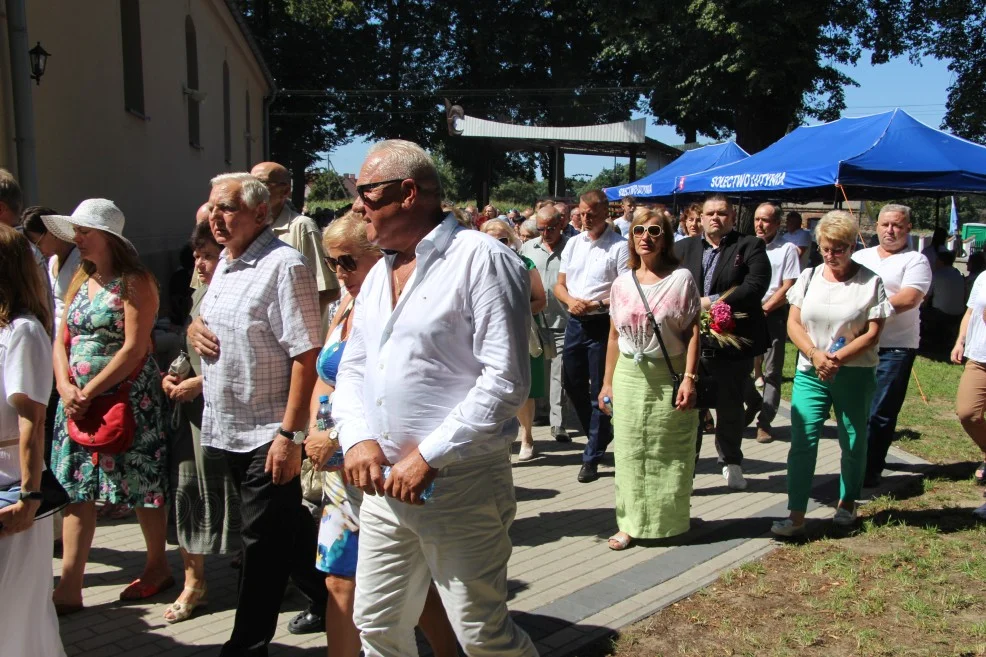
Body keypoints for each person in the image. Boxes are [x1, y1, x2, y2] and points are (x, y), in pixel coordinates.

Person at [333, 140, 537, 657]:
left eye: (366, 194)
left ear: (408, 194)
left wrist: (429, 455)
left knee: (482, 635)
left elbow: (506, 380)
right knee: (377, 624)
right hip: (384, 489)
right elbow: (356, 367)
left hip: (459, 483)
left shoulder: (482, 258)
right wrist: (357, 439)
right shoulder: (380, 271)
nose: (358, 206)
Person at [303, 213, 459, 657]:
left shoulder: (398, 306)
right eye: (333, 262)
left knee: (397, 581)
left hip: (378, 464)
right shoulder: (343, 305)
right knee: (341, 579)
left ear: (379, 256)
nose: (339, 272)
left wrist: (336, 437)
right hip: (341, 472)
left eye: (348, 261)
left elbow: (395, 386)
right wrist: (317, 429)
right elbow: (328, 375)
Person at [187, 173, 326, 656]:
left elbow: (307, 354)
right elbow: (209, 320)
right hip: (226, 424)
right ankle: (332, 596)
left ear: (260, 214)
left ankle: (247, 644)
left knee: (260, 545)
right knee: (284, 530)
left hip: (269, 432)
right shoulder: (224, 263)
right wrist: (193, 328)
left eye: (226, 208)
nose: (214, 217)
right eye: (211, 207)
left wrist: (290, 434)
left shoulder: (284, 266)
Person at [44, 200, 172, 613]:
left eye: (84, 231)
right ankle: (70, 585)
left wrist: (90, 390)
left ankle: (157, 566)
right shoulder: (82, 277)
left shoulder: (136, 281)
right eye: (76, 231)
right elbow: (61, 338)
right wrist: (65, 385)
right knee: (77, 490)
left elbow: (135, 348)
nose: (77, 239)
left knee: (142, 488)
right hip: (78, 402)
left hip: (126, 399)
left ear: (109, 238)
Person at [772, 211, 888, 536]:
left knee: (852, 440)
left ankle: (847, 503)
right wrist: (814, 354)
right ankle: (795, 514)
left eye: (839, 248)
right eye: (825, 248)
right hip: (811, 371)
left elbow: (873, 333)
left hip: (854, 373)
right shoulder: (809, 278)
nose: (831, 255)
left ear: (852, 247)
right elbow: (793, 323)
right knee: (802, 441)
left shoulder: (870, 281)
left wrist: (835, 358)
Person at [598, 210, 700, 550]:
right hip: (628, 375)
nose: (646, 236)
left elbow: (692, 332)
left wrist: (689, 377)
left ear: (666, 238)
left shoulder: (682, 278)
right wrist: (607, 382)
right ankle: (627, 524)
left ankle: (667, 523)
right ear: (631, 237)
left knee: (667, 451)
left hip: (667, 373)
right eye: (639, 230)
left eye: (655, 230)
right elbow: (613, 336)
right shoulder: (621, 282)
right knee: (628, 453)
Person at [160, 221, 240, 623]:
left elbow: (251, 361)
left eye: (208, 255)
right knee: (187, 491)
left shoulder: (237, 290)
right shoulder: (198, 293)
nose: (200, 262)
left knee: (239, 499)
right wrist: (175, 372)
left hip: (233, 417)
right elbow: (188, 347)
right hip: (193, 417)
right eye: (197, 255)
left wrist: (201, 383)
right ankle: (195, 583)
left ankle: (265, 578)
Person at [0, 225, 66, 657]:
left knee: (15, 609)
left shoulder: (23, 331)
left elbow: (32, 420)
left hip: (12, 486)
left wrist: (29, 495)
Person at [674, 194, 770, 491]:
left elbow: (754, 285)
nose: (716, 218)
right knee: (692, 405)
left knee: (729, 405)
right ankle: (687, 468)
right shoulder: (682, 248)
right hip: (689, 341)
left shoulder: (749, 245)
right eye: (710, 213)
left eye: (723, 213)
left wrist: (711, 302)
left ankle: (731, 461)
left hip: (731, 341)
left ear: (732, 217)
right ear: (699, 218)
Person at [852, 204, 932, 487]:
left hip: (895, 348)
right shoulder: (861, 256)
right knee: (855, 409)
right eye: (885, 225)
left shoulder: (916, 261)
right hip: (859, 345)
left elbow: (910, 298)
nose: (890, 230)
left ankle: (870, 468)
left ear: (908, 228)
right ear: (876, 226)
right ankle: (852, 462)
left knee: (880, 411)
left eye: (897, 225)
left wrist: (865, 310)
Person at [554, 189, 629, 483]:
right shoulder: (573, 243)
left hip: (602, 324)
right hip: (575, 320)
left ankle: (592, 456)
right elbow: (560, 285)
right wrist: (570, 301)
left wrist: (597, 303)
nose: (585, 219)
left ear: (605, 212)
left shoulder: (619, 247)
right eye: (582, 213)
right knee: (572, 384)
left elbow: (624, 290)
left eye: (591, 214)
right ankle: (599, 434)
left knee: (601, 390)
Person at [482, 219, 547, 461]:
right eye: (490, 239)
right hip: (488, 334)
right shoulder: (475, 264)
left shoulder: (524, 263)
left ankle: (527, 436)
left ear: (511, 240)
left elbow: (541, 300)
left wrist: (516, 310)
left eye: (502, 240)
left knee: (523, 388)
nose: (497, 244)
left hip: (521, 331)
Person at [23, 205, 81, 463]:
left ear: (52, 233)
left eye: (38, 240)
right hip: (56, 341)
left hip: (75, 341)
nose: (38, 247)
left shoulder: (79, 258)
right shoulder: (53, 261)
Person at [251, 162, 340, 318]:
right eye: (249, 183)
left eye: (260, 183)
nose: (252, 190)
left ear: (285, 191)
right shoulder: (248, 230)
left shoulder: (302, 228)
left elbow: (328, 290)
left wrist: (290, 325)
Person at [743, 202, 800, 443]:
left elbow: (788, 285)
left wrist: (765, 308)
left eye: (765, 220)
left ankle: (764, 421)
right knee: (738, 367)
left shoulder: (787, 249)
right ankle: (753, 401)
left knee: (771, 371)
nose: (760, 224)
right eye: (757, 219)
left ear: (777, 223)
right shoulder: (745, 246)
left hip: (772, 315)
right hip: (745, 314)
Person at [521, 205, 572, 443]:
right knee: (538, 370)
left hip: (563, 319)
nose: (546, 233)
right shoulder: (528, 248)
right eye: (541, 228)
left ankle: (558, 422)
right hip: (534, 320)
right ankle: (539, 413)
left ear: (561, 223)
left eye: (551, 228)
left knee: (558, 372)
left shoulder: (571, 247)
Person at [950, 272, 986, 518]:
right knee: (967, 413)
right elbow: (971, 312)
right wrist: (961, 340)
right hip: (979, 359)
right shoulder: (983, 276)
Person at [922, 249, 965, 353]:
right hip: (959, 313)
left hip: (941, 314)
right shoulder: (958, 274)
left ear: (941, 262)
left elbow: (926, 297)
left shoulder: (936, 275)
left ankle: (927, 342)